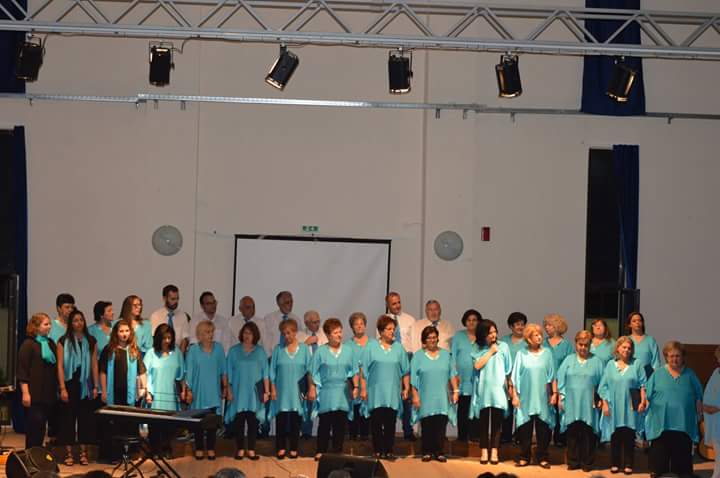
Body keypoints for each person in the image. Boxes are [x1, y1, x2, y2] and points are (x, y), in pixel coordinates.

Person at [645, 341, 703, 478]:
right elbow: (647, 394)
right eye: (671, 356)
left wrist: (699, 404)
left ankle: (682, 470)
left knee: (682, 444)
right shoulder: (658, 373)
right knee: (660, 444)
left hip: (684, 419)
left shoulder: (690, 374)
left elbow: (699, 393)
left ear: (682, 357)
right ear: (666, 357)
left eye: (677, 356)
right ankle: (658, 469)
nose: (674, 359)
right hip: (661, 418)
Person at [360, 315, 410, 460]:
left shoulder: (399, 348)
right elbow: (363, 370)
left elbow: (406, 371)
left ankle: (388, 450)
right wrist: (363, 389)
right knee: (376, 422)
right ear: (381, 331)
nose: (392, 331)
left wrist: (406, 388)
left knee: (390, 422)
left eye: (393, 329)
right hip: (376, 391)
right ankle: (377, 450)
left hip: (392, 392)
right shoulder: (371, 347)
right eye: (388, 329)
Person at [98, 319, 147, 462]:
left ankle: (130, 454)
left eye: (127, 331)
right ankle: (113, 455)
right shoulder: (109, 350)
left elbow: (142, 371)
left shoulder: (134, 350)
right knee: (114, 425)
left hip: (129, 395)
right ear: (116, 333)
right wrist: (104, 391)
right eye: (121, 331)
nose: (124, 334)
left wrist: (144, 388)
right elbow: (103, 372)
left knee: (129, 424)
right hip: (114, 394)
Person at [598, 336, 647, 475]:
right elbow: (603, 386)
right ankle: (615, 463)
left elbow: (643, 385)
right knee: (616, 435)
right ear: (618, 348)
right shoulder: (610, 365)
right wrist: (605, 404)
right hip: (614, 405)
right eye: (624, 347)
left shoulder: (637, 364)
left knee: (629, 435)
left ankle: (628, 464)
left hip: (631, 405)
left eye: (629, 348)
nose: (626, 350)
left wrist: (643, 401)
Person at [510, 323, 556, 469]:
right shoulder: (521, 354)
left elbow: (552, 376)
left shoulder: (547, 353)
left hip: (543, 397)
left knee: (543, 429)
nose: (539, 337)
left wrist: (554, 394)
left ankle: (543, 457)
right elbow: (514, 377)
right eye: (536, 335)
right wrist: (515, 396)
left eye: (540, 334)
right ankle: (524, 457)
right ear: (529, 339)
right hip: (525, 397)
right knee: (525, 428)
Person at [557, 330, 604, 472]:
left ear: (590, 345)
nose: (583, 347)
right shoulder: (568, 360)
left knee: (588, 433)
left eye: (586, 345)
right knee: (572, 432)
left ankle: (587, 463)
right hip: (571, 402)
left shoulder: (597, 361)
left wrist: (600, 399)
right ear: (576, 344)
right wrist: (561, 397)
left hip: (589, 404)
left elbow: (603, 383)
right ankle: (573, 461)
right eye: (580, 344)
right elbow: (560, 379)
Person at [310, 318, 357, 460]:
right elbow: (312, 372)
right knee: (325, 423)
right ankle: (321, 450)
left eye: (340, 331)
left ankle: (337, 451)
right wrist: (312, 388)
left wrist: (356, 387)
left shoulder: (348, 351)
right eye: (335, 332)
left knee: (340, 424)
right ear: (328, 335)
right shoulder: (320, 352)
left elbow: (354, 371)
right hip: (326, 391)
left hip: (343, 392)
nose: (339, 335)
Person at [57, 309, 99, 466]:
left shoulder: (91, 340)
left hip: (86, 385)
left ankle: (83, 453)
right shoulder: (63, 341)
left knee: (85, 420)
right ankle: (68, 454)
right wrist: (62, 388)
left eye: (81, 320)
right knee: (68, 419)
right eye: (75, 320)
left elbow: (94, 365)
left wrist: (96, 386)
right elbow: (60, 366)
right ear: (70, 323)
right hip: (69, 383)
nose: (79, 323)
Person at [411, 326, 458, 463]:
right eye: (429, 338)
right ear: (424, 340)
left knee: (440, 424)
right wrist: (415, 396)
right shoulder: (418, 356)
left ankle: (439, 452)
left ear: (437, 338)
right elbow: (413, 378)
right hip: (425, 397)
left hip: (442, 397)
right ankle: (427, 451)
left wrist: (456, 391)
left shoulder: (446, 355)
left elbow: (452, 375)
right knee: (427, 425)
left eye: (434, 337)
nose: (432, 340)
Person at [269, 318, 314, 459]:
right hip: (282, 390)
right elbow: (272, 372)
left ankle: (294, 448)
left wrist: (311, 388)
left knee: (296, 420)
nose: (286, 336)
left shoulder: (304, 349)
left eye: (288, 333)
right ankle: (281, 448)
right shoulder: (278, 349)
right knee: (281, 420)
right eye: (283, 333)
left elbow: (309, 371)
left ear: (295, 332)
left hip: (297, 391)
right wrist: (273, 389)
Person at [469, 319, 512, 465]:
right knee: (483, 421)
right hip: (483, 388)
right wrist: (491, 351)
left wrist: (510, 388)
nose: (493, 335)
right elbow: (477, 365)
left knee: (497, 421)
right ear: (483, 334)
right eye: (490, 333)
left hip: (499, 389)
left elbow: (508, 369)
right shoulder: (477, 347)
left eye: (495, 332)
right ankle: (483, 450)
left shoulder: (503, 346)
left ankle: (494, 451)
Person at [225, 321, 269, 461]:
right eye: (245, 332)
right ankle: (240, 449)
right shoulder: (233, 351)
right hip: (238, 392)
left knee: (253, 422)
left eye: (250, 333)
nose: (247, 336)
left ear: (255, 335)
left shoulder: (260, 351)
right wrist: (228, 390)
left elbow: (265, 374)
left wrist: (267, 391)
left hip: (254, 393)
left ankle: (251, 450)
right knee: (239, 422)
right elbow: (227, 373)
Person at [185, 320, 227, 460]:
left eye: (212, 332)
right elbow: (189, 372)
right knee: (198, 422)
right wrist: (189, 391)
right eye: (207, 332)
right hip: (198, 392)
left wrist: (225, 387)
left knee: (212, 423)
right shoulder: (193, 350)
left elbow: (224, 370)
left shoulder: (219, 349)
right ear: (200, 335)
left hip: (213, 392)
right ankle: (199, 448)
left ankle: (210, 448)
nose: (211, 335)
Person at [144, 323, 186, 458]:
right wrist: (147, 392)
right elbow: (145, 374)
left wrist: (184, 390)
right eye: (164, 338)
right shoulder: (151, 353)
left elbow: (182, 374)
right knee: (155, 425)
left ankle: (167, 448)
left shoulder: (177, 352)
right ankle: (155, 450)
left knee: (170, 424)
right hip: (155, 394)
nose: (167, 341)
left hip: (171, 395)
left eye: (169, 338)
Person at [17, 313, 58, 449]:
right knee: (34, 428)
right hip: (34, 394)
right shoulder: (28, 344)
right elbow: (22, 371)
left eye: (49, 324)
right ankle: (31, 455)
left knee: (42, 429)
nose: (49, 327)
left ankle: (39, 455)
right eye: (46, 324)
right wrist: (25, 393)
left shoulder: (50, 343)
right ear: (36, 327)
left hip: (48, 394)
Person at [384, 292, 416, 440]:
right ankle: (387, 430)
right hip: (390, 359)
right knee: (389, 394)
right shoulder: (383, 320)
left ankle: (408, 430)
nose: (397, 305)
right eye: (393, 303)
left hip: (407, 357)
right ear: (387, 305)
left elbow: (414, 342)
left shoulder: (410, 319)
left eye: (398, 302)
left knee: (407, 395)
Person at [451, 309, 481, 443]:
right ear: (465, 322)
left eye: (474, 320)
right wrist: (454, 374)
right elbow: (453, 357)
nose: (471, 322)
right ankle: (462, 437)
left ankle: (475, 436)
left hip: (478, 379)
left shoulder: (482, 336)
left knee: (476, 407)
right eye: (469, 320)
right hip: (462, 379)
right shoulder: (458, 336)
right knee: (463, 408)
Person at [543, 313, 573, 447]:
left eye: (549, 325)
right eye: (545, 325)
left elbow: (570, 365)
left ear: (557, 326)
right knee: (545, 411)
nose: (546, 328)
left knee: (560, 410)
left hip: (561, 384)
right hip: (545, 383)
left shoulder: (566, 345)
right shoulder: (543, 343)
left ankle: (559, 438)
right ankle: (544, 439)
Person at [298, 310, 328, 438]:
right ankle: (306, 432)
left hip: (322, 373)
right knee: (307, 403)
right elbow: (295, 354)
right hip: (305, 373)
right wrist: (306, 343)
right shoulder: (299, 335)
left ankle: (325, 431)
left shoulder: (325, 334)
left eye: (318, 321)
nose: (317, 324)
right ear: (306, 323)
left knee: (324, 401)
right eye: (314, 322)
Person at [499, 312, 528, 443]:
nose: (520, 327)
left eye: (522, 324)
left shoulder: (528, 341)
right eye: (517, 324)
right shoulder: (503, 341)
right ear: (511, 326)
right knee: (507, 409)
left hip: (523, 380)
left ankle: (520, 436)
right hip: (506, 379)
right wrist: (507, 379)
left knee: (521, 409)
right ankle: (506, 436)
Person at [346, 312, 373, 441]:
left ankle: (365, 436)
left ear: (365, 325)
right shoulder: (347, 345)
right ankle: (353, 436)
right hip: (353, 382)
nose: (359, 326)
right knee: (354, 407)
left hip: (370, 382)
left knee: (368, 407)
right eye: (356, 324)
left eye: (362, 323)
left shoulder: (374, 343)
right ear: (352, 327)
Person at [149, 284, 190, 352]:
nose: (176, 302)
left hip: (178, 352)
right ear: (164, 299)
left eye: (177, 299)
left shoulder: (183, 316)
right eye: (173, 299)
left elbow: (185, 339)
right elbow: (153, 338)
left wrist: (180, 355)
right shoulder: (155, 316)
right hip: (160, 352)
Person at [262, 291, 301, 356]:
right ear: (279, 303)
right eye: (287, 302)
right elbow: (265, 340)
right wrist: (269, 356)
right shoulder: (269, 319)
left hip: (291, 355)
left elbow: (299, 339)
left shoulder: (296, 320)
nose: (290, 304)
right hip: (273, 355)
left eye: (291, 302)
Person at [626, 312, 661, 378]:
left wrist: (654, 377)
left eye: (639, 320)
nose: (637, 322)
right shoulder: (626, 340)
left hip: (647, 375)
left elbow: (656, 362)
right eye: (634, 321)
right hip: (629, 374)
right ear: (629, 324)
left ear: (642, 323)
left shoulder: (650, 340)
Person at [703, 345, 720, 478]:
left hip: (717, 413)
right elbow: (709, 391)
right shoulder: (716, 372)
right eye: (718, 357)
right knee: (718, 450)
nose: (718, 359)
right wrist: (705, 406)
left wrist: (717, 408)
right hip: (713, 418)